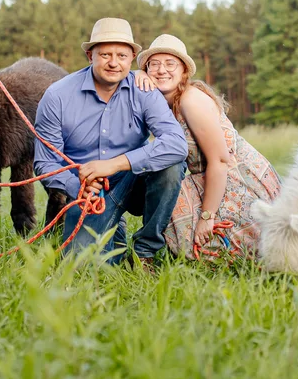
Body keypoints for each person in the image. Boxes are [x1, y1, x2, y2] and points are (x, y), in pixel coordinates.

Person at [33, 18, 188, 268]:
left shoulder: (145, 91)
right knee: (84, 266)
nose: (114, 62)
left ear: (132, 57)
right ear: (89, 55)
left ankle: (144, 252)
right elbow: (44, 163)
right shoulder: (57, 96)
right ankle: (113, 231)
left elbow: (177, 145)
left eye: (122, 55)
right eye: (105, 54)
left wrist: (116, 164)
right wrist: (76, 185)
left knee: (171, 166)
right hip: (88, 190)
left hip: (133, 180)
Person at [135, 34, 282, 259]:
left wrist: (207, 216)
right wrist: (134, 76)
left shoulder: (190, 100)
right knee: (160, 187)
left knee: (221, 242)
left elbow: (221, 161)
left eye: (170, 63)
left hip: (234, 177)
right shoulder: (163, 103)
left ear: (184, 70)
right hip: (206, 176)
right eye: (153, 64)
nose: (161, 70)